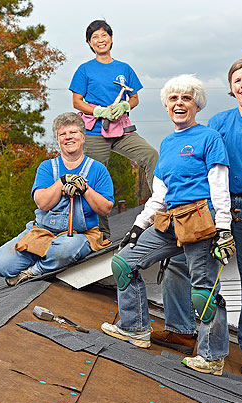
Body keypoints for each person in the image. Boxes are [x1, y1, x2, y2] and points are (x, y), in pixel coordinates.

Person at [154, 59, 242, 379]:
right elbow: (202, 161)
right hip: (215, 206)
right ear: (231, 89)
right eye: (236, 80)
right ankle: (182, 329)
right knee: (179, 265)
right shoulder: (219, 121)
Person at [101, 75, 235, 377]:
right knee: (124, 263)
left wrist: (223, 228)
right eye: (173, 99)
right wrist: (138, 226)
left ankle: (212, 357)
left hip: (202, 221)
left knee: (204, 292)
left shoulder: (209, 138)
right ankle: (135, 329)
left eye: (186, 98)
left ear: (197, 104)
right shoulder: (168, 143)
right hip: (170, 219)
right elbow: (160, 194)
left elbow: (219, 186)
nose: (179, 103)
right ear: (165, 105)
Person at [0, 112, 114, 286]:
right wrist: (62, 182)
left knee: (65, 250)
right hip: (42, 232)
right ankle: (48, 262)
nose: (68, 137)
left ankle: (32, 272)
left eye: (73, 133)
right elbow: (42, 203)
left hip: (79, 235)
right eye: (63, 134)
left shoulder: (97, 169)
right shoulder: (47, 168)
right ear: (57, 139)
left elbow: (105, 208)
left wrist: (84, 188)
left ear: (83, 137)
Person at [69, 19, 158, 240]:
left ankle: (160, 210)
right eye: (95, 37)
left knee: (151, 156)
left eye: (103, 35)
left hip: (121, 129)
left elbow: (135, 97)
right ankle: (100, 232)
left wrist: (125, 105)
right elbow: (77, 102)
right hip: (95, 131)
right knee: (93, 177)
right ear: (90, 43)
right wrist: (98, 111)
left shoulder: (124, 68)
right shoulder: (84, 70)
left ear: (111, 38)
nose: (100, 40)